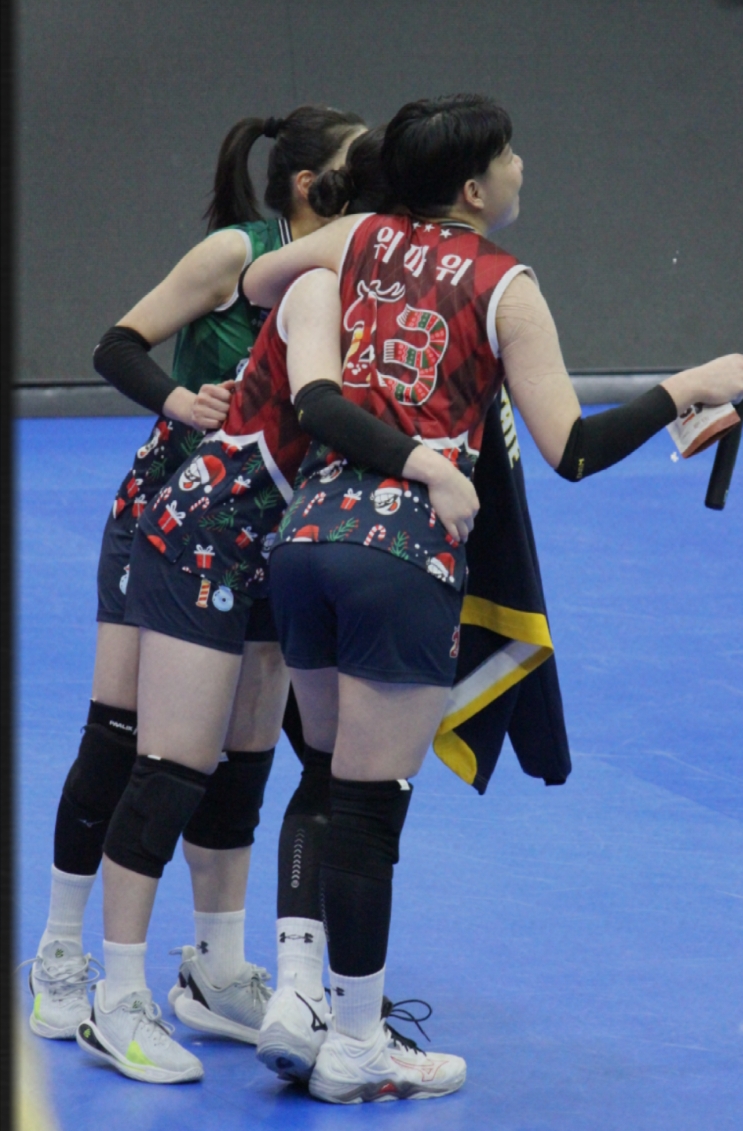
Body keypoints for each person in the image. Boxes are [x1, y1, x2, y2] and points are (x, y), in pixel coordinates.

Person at [240, 93, 743, 1103]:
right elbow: (569, 448)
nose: (522, 166)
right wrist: (686, 384)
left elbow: (262, 281)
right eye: (509, 157)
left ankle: (299, 997)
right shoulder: (504, 287)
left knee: (323, 777)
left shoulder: (353, 235)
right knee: (370, 808)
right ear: (474, 189)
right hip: (399, 556)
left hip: (303, 540)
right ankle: (354, 1042)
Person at [74, 126, 476, 1085]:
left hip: (276, 548)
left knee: (245, 767)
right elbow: (326, 405)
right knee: (171, 764)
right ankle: (114, 996)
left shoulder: (393, 295)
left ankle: (214, 973)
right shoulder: (318, 287)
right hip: (209, 530)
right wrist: (429, 463)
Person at [22, 106, 366, 1049]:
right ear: (311, 185)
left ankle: (215, 963)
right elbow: (116, 342)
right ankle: (61, 947)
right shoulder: (238, 253)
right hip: (168, 513)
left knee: (245, 748)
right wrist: (185, 401)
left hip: (266, 523)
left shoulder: (347, 270)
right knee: (124, 732)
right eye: (358, 162)